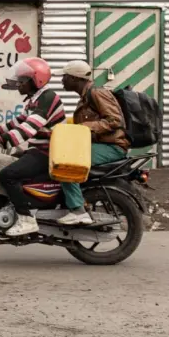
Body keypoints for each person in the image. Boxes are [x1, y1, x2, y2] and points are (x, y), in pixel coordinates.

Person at [0, 57, 66, 237]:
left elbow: (28, 128)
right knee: (6, 166)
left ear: (36, 80)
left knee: (7, 175)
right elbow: (18, 122)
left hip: (46, 152)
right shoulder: (35, 99)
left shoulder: (48, 98)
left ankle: (26, 219)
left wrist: (2, 140)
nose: (18, 85)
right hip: (38, 150)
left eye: (22, 81)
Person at [57, 60, 129, 225]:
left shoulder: (96, 93)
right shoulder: (86, 96)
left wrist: (83, 127)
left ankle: (77, 210)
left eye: (65, 77)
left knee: (67, 163)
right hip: (102, 144)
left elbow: (114, 120)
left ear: (76, 78)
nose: (62, 80)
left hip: (112, 147)